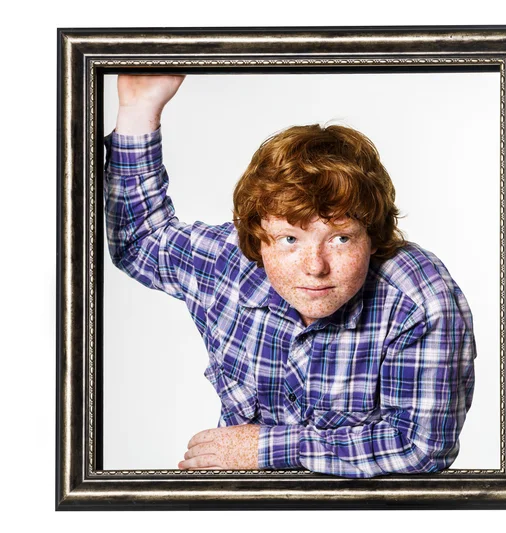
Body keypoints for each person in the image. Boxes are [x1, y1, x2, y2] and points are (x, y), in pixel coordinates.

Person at [104, 74, 476, 478]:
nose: (314, 266)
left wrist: (265, 447)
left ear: (374, 236)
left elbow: (422, 446)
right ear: (257, 237)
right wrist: (139, 109)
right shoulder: (228, 263)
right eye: (288, 239)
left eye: (340, 238)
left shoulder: (418, 297)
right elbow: (141, 240)